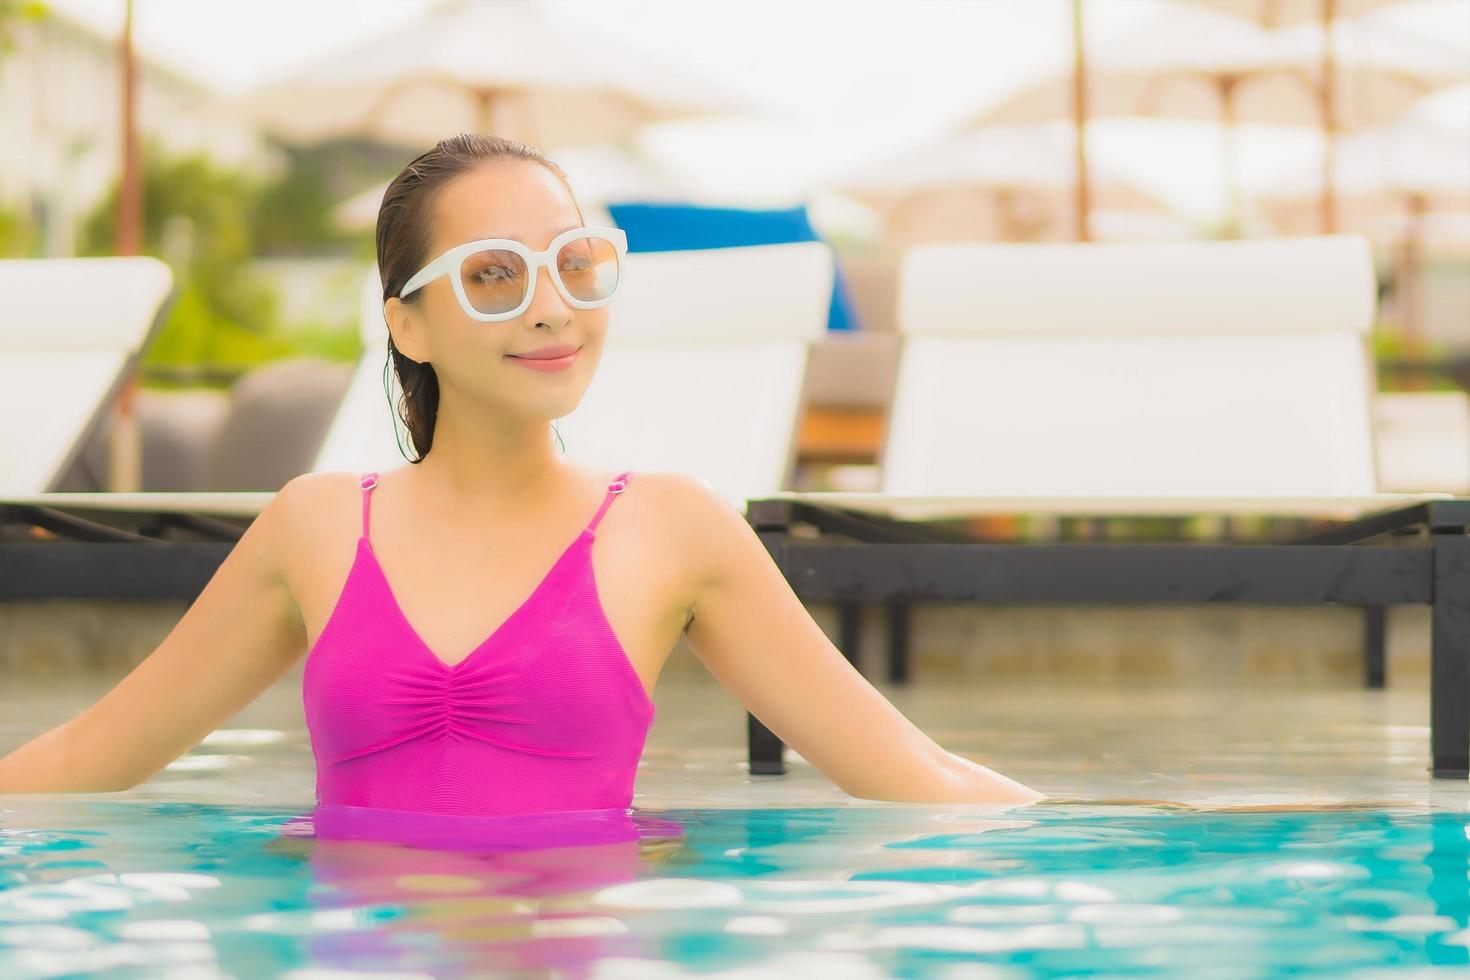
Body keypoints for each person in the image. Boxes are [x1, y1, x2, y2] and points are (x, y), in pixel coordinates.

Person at [0, 133, 1044, 811]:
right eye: (493, 276)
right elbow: (91, 755)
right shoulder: (314, 527)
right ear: (404, 322)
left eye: (575, 263)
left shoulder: (673, 529)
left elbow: (919, 776)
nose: (551, 308)